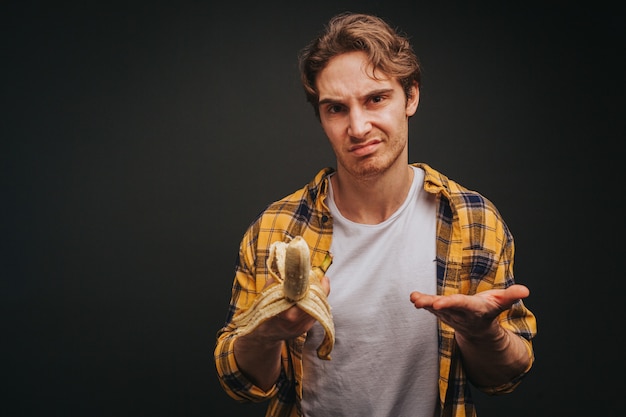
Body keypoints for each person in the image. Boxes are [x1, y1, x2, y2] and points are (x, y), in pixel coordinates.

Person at [214, 11, 537, 417]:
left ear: (411, 96)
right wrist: (267, 332)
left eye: (376, 98)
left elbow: (505, 376)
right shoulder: (275, 229)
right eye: (336, 109)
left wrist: (483, 334)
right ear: (322, 118)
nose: (358, 126)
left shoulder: (471, 220)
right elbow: (239, 382)